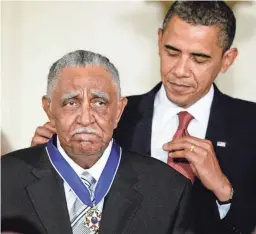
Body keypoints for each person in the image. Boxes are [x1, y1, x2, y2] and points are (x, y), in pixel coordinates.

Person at [30, 1, 256, 234]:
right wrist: (47, 168)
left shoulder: (251, 125)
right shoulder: (109, 116)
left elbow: (246, 224)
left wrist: (223, 189)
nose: (180, 70)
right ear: (159, 40)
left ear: (227, 59)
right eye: (172, 52)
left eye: (199, 59)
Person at [1, 50, 194, 234]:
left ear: (119, 110)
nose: (85, 119)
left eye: (99, 103)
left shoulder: (168, 188)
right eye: (71, 103)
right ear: (49, 109)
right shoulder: (5, 179)